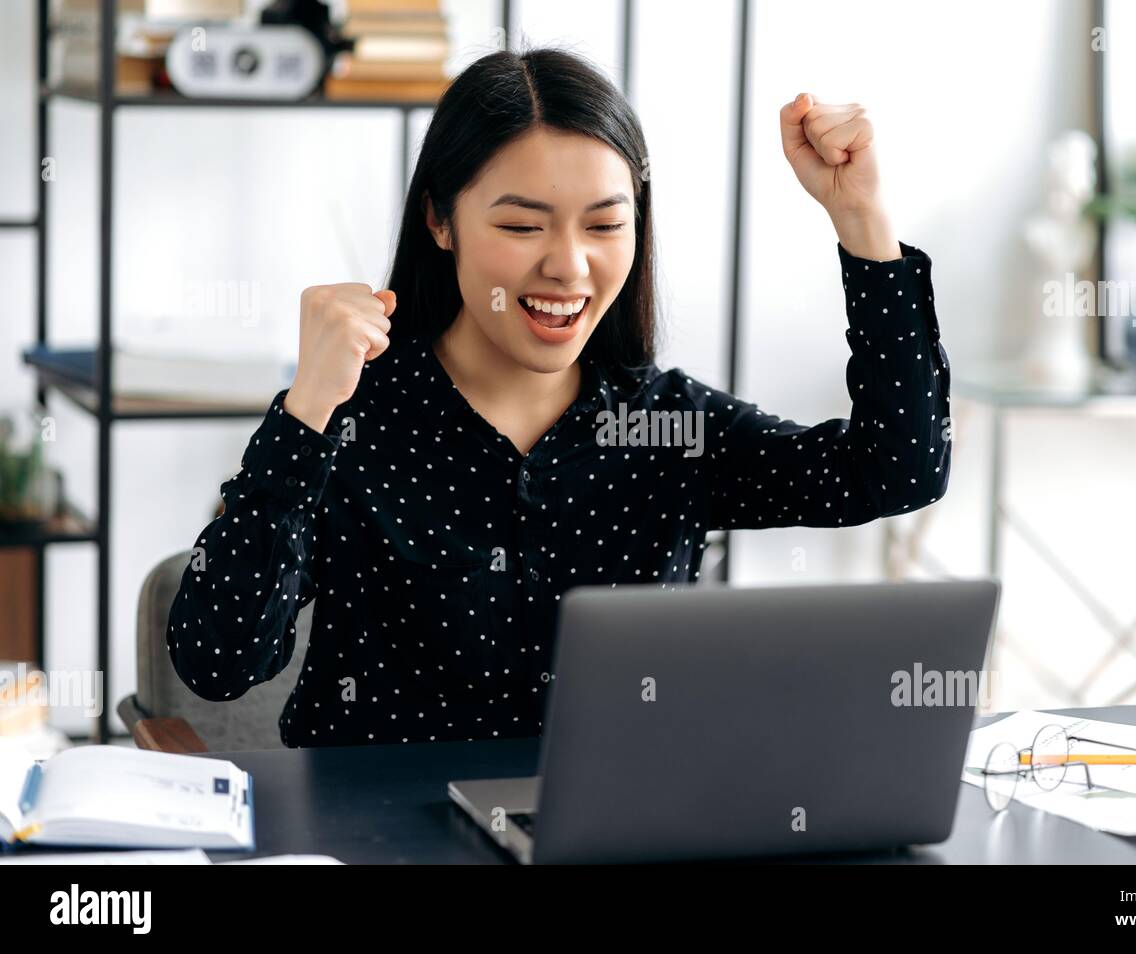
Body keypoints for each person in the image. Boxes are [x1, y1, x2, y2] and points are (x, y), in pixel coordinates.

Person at [166, 46, 952, 747]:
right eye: (523, 226)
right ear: (441, 220)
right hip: (378, 840)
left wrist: (862, 221)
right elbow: (218, 660)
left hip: (612, 835)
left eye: (605, 225)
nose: (569, 268)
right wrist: (305, 415)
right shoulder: (351, 418)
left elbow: (898, 469)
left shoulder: (664, 424)